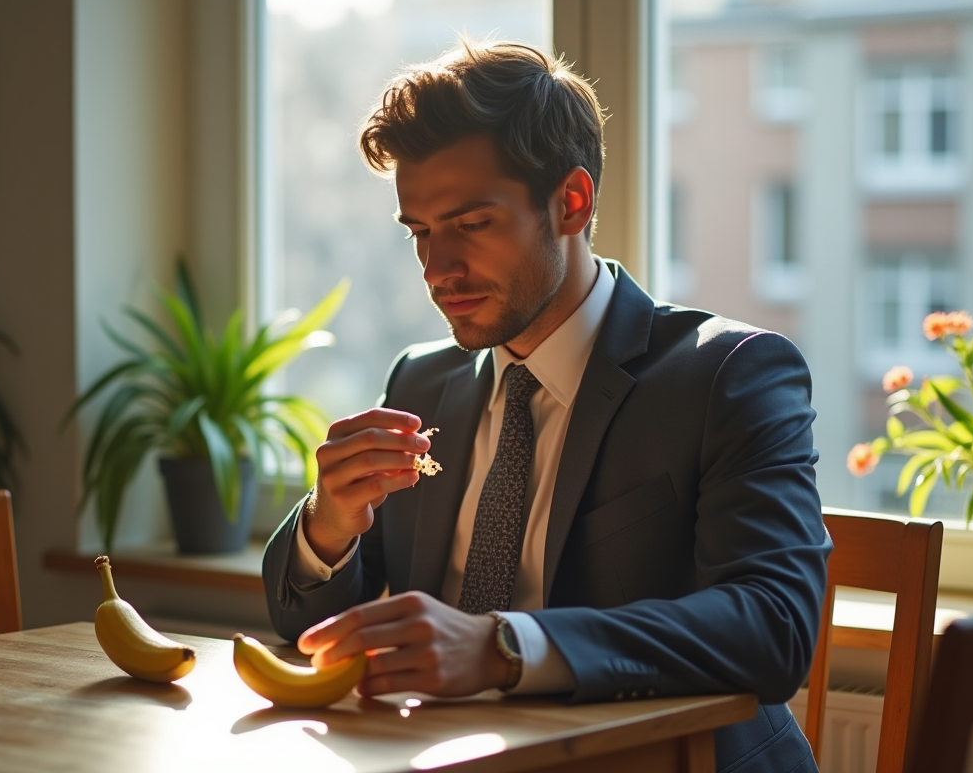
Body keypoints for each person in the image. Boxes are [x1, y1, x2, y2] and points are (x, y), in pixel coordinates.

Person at [262, 40, 830, 773]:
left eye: (470, 225)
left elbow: (774, 629)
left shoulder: (727, 375)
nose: (437, 270)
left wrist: (504, 647)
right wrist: (329, 526)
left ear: (572, 201)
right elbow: (300, 623)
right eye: (421, 233)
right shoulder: (419, 383)